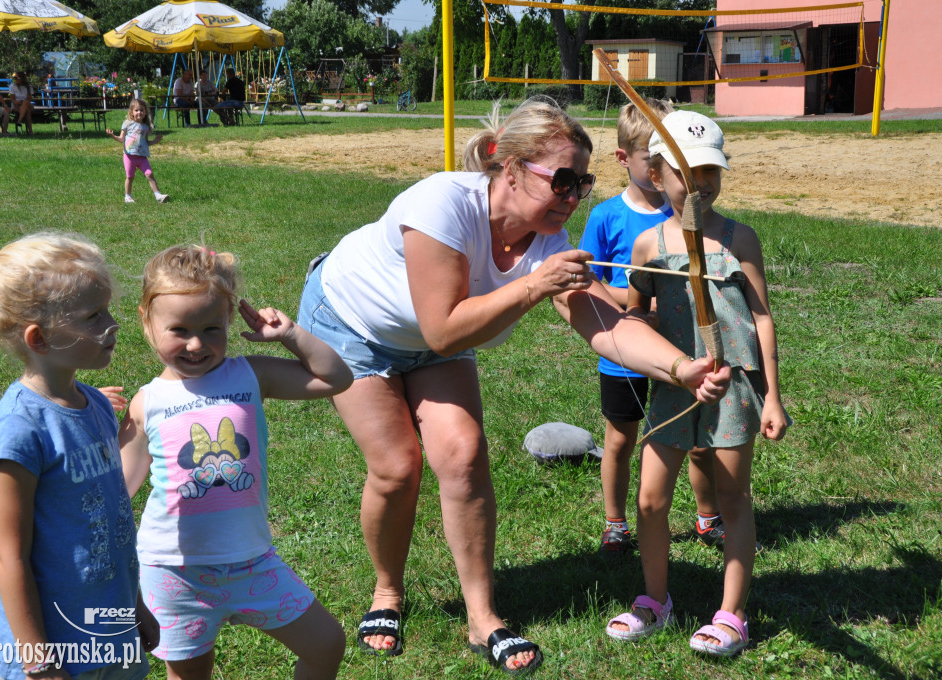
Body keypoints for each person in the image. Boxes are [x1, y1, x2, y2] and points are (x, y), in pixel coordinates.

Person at [296, 97, 730, 674]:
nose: (573, 197)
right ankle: (387, 594)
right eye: (563, 181)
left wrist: (681, 368)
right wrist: (533, 288)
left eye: (584, 182)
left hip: (433, 336)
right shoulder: (442, 203)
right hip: (352, 324)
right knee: (398, 466)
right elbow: (445, 329)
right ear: (510, 166)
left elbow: (605, 324)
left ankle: (482, 616)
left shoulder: (548, 240)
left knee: (464, 453)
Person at [0, 233, 157, 679]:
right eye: (93, 315)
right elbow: (11, 557)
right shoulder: (19, 430)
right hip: (58, 651)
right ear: (40, 338)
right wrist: (40, 661)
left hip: (111, 632)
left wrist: (136, 608)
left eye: (106, 308)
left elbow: (114, 521)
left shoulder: (98, 405)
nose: (113, 323)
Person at [118, 244, 351, 680]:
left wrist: (290, 335)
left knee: (327, 644)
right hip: (173, 572)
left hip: (251, 562)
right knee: (191, 673)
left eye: (211, 328)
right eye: (179, 329)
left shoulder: (249, 374)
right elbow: (117, 487)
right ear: (146, 323)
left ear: (229, 319)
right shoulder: (146, 403)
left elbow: (335, 378)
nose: (195, 344)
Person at [605, 111, 789, 657]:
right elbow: (635, 316)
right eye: (688, 173)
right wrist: (654, 340)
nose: (701, 184)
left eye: (712, 172)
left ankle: (732, 614)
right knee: (651, 500)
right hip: (673, 389)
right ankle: (654, 600)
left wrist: (772, 394)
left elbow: (760, 317)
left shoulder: (739, 238)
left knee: (733, 498)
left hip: (733, 389)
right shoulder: (648, 246)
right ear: (658, 175)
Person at [580, 100, 732, 558]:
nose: (669, 173)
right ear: (630, 160)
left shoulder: (694, 216)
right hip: (626, 351)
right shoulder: (607, 216)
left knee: (697, 439)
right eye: (655, 159)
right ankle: (615, 523)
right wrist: (632, 307)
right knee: (621, 437)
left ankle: (708, 516)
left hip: (686, 349)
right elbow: (590, 279)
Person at [106, 99, 169, 204]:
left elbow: (146, 142)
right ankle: (128, 196)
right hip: (129, 156)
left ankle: (158, 196)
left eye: (142, 110)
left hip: (142, 157)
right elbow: (122, 139)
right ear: (132, 112)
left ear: (145, 112)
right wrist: (113, 136)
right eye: (136, 110)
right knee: (130, 177)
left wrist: (155, 141)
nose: (139, 112)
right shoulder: (127, 124)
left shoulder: (146, 127)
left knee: (149, 174)